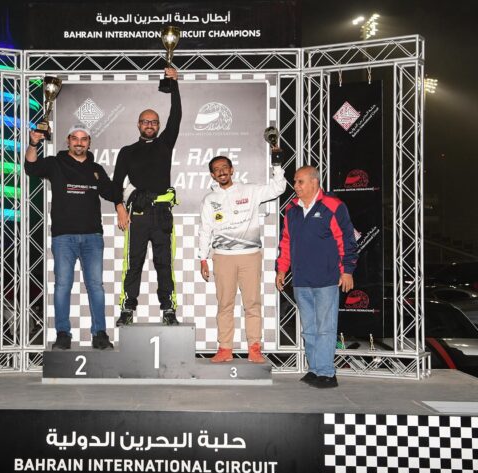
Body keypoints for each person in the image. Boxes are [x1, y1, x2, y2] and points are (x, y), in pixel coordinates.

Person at [26, 124, 126, 350]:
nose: (79, 142)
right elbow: (30, 167)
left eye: (84, 139)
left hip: (92, 237)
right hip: (64, 237)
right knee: (62, 286)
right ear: (68, 141)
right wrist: (33, 144)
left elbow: (111, 192)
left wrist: (120, 205)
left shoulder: (96, 169)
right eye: (75, 138)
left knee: (96, 287)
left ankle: (100, 334)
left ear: (89, 143)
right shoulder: (55, 163)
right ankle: (63, 334)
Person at [275, 165, 358, 388]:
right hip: (301, 280)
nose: (295, 186)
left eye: (300, 181)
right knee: (309, 329)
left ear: (314, 182)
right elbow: (286, 242)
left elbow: (347, 240)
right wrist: (282, 269)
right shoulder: (291, 210)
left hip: (326, 279)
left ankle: (327, 373)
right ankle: (314, 369)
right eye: (295, 182)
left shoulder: (333, 206)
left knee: (325, 328)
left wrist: (347, 270)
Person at [199, 155, 286, 363]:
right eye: (217, 169)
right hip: (222, 258)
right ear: (212, 175)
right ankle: (225, 348)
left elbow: (278, 188)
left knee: (252, 304)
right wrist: (203, 258)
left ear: (232, 170)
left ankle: (254, 348)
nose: (221, 171)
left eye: (224, 167)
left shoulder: (250, 190)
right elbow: (205, 230)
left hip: (250, 256)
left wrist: (276, 165)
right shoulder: (209, 200)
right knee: (225, 305)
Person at [113, 67, 181, 326]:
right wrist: (120, 207)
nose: (149, 125)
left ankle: (168, 309)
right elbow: (115, 184)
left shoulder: (165, 144)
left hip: (162, 214)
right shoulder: (127, 151)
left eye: (154, 122)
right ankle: (127, 308)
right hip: (138, 215)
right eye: (145, 121)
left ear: (159, 126)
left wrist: (174, 85)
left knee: (164, 264)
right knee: (133, 264)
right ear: (138, 125)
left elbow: (177, 115)